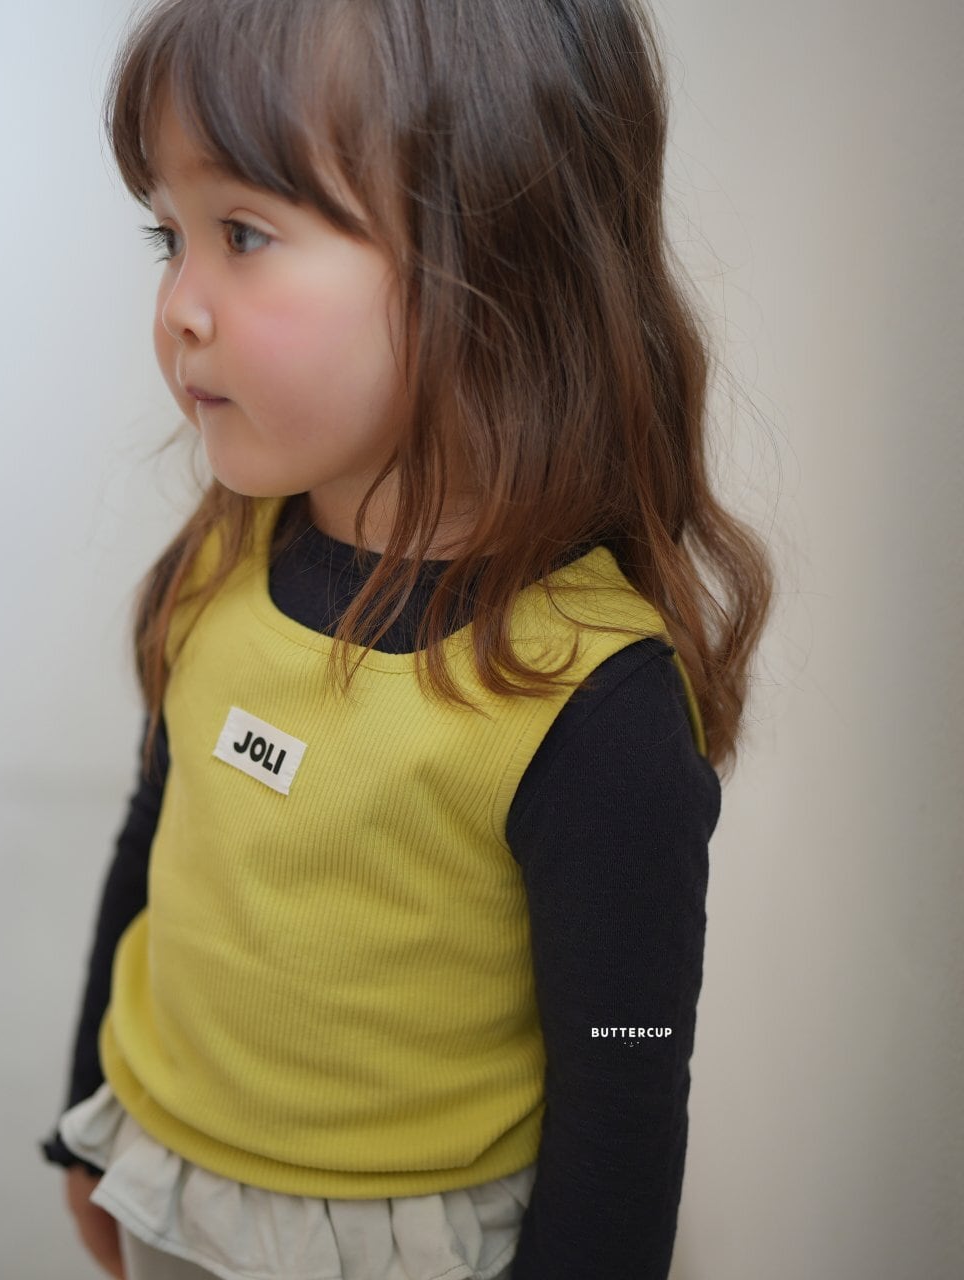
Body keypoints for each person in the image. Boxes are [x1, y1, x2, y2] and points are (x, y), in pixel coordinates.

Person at [39, 1, 774, 1277]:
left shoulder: (592, 702)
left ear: (488, 253)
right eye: (169, 236)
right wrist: (83, 1119)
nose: (178, 306)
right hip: (167, 1185)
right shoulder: (225, 555)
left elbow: (621, 1098)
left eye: (242, 233)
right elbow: (153, 840)